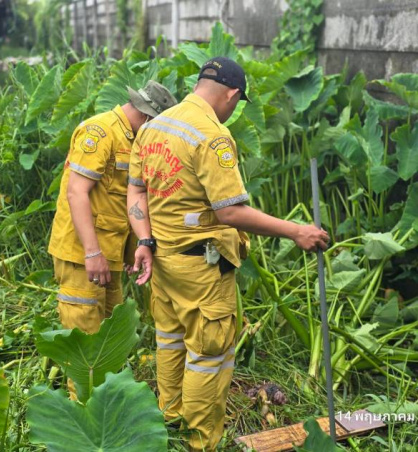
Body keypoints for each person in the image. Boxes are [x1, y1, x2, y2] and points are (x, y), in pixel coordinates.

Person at [126, 57, 329, 451]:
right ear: (233, 94)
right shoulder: (211, 135)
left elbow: (136, 192)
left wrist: (146, 242)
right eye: (238, 103)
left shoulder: (153, 126)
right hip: (201, 269)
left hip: (163, 262)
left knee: (169, 341)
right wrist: (296, 231)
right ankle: (200, 442)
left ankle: (169, 421)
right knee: (208, 354)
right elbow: (230, 211)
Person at [48, 81, 177, 340]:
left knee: (108, 340)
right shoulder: (100, 132)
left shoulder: (132, 139)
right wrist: (92, 252)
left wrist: (130, 251)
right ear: (145, 116)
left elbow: (120, 200)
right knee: (85, 343)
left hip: (109, 256)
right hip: (83, 255)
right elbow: (77, 192)